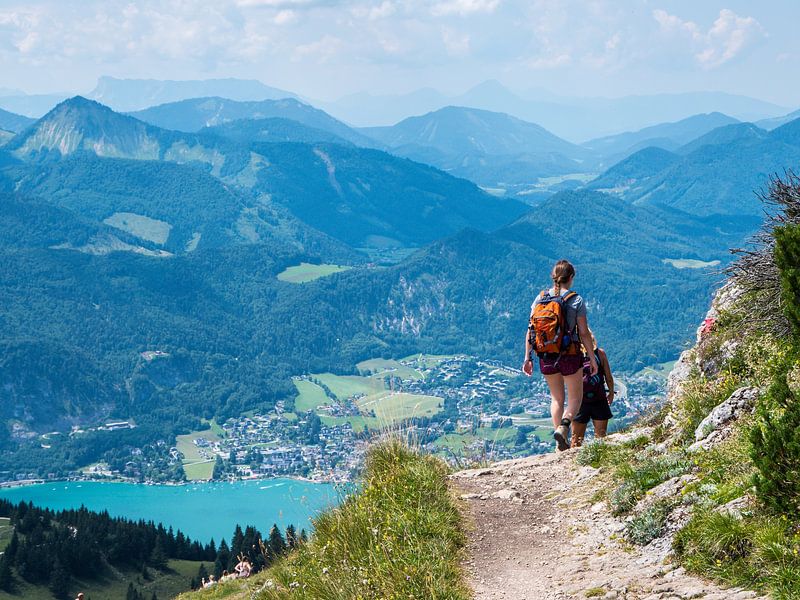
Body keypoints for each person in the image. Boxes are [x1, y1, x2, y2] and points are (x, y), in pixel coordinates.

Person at [523, 259, 598, 450]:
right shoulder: (576, 300)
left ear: (554, 276)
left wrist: (527, 358)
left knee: (556, 398)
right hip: (570, 355)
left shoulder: (540, 299)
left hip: (545, 355)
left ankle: (559, 444)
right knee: (575, 398)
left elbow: (531, 330)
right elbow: (583, 332)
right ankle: (564, 428)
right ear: (571, 277)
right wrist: (591, 356)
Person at [571, 330, 615, 448]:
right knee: (600, 438)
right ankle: (599, 461)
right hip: (599, 399)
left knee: (576, 441)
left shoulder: (573, 355)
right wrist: (611, 393)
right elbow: (608, 377)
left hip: (580, 401)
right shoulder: (600, 354)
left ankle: (573, 464)